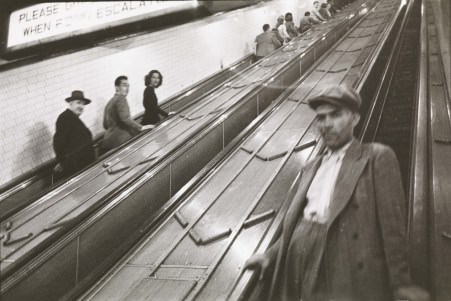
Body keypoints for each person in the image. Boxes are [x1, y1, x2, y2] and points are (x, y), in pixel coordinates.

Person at [244, 85, 430, 301]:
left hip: (341, 262)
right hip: (298, 264)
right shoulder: (311, 166)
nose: (327, 124)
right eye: (321, 118)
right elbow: (293, 224)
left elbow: (392, 228)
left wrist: (401, 283)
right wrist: (270, 256)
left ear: (355, 118)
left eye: (336, 115)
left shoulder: (376, 157)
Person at [102, 75, 153, 151]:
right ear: (117, 87)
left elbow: (105, 125)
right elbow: (125, 118)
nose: (127, 88)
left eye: (128, 86)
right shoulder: (121, 98)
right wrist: (141, 127)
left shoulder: (109, 103)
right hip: (122, 140)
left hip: (109, 142)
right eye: (124, 85)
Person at [53, 90, 95, 177]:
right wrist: (63, 162)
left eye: (83, 104)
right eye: (78, 103)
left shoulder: (72, 118)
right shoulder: (65, 118)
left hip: (81, 167)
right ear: (71, 103)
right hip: (76, 169)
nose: (81, 106)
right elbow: (58, 143)